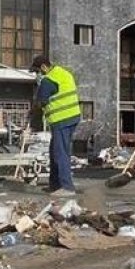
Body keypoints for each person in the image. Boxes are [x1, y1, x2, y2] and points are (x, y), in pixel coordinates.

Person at [31, 55, 81, 198]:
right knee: (55, 151)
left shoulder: (48, 80)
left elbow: (41, 101)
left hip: (61, 119)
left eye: (37, 72)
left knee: (60, 153)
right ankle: (55, 185)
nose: (37, 75)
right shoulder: (63, 73)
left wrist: (33, 111)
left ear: (43, 68)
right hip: (72, 116)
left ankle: (67, 187)